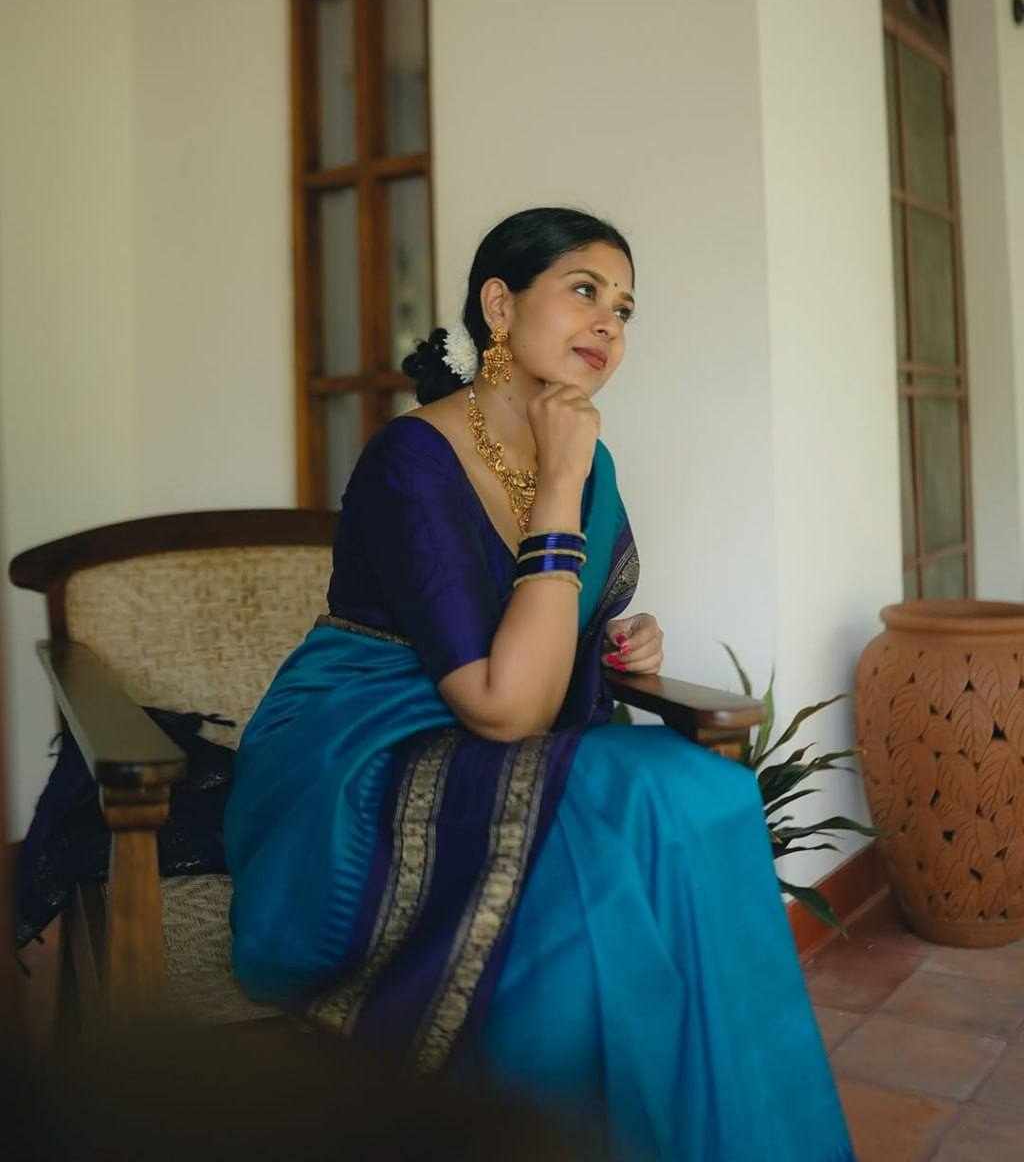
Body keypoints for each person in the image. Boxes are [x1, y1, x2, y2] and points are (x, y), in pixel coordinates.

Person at [225, 208, 854, 1162]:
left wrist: (617, 638)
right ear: (499, 306)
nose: (610, 323)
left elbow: (551, 639)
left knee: (707, 798)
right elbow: (505, 704)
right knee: (654, 796)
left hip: (499, 737)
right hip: (361, 756)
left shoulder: (592, 462)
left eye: (626, 309)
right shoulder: (413, 457)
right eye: (585, 291)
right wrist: (559, 483)